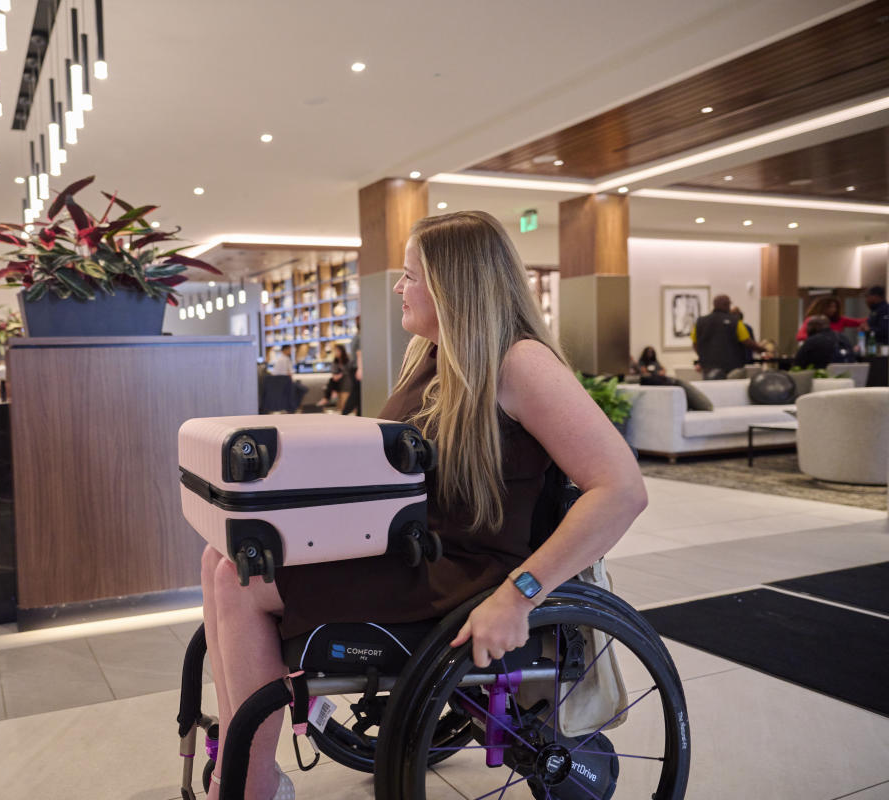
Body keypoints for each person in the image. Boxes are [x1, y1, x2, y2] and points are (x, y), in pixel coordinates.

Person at [199, 211, 647, 800]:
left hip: (466, 572)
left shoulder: (521, 363)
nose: (398, 286)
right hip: (412, 550)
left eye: (410, 275)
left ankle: (251, 785)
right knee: (221, 555)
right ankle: (246, 764)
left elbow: (621, 490)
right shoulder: (431, 356)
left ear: (454, 287)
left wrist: (520, 595)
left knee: (238, 578)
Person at [691, 294, 762, 378]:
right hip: (733, 369)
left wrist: (703, 356)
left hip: (708, 369)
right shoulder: (735, 322)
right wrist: (763, 349)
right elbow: (747, 342)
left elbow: (695, 344)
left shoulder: (700, 322)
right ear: (727, 305)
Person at [794, 296, 863, 342]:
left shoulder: (840, 320)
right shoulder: (812, 320)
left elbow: (859, 322)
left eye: (835, 307)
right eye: (830, 307)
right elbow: (800, 336)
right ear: (822, 307)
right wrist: (820, 338)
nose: (833, 310)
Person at [315, 343, 352, 409]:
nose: (336, 353)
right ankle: (332, 393)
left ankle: (328, 396)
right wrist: (339, 375)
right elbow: (334, 374)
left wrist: (340, 375)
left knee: (331, 381)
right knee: (332, 380)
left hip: (345, 381)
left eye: (337, 351)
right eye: (335, 351)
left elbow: (348, 371)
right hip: (337, 381)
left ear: (342, 351)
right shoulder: (335, 362)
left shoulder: (347, 360)